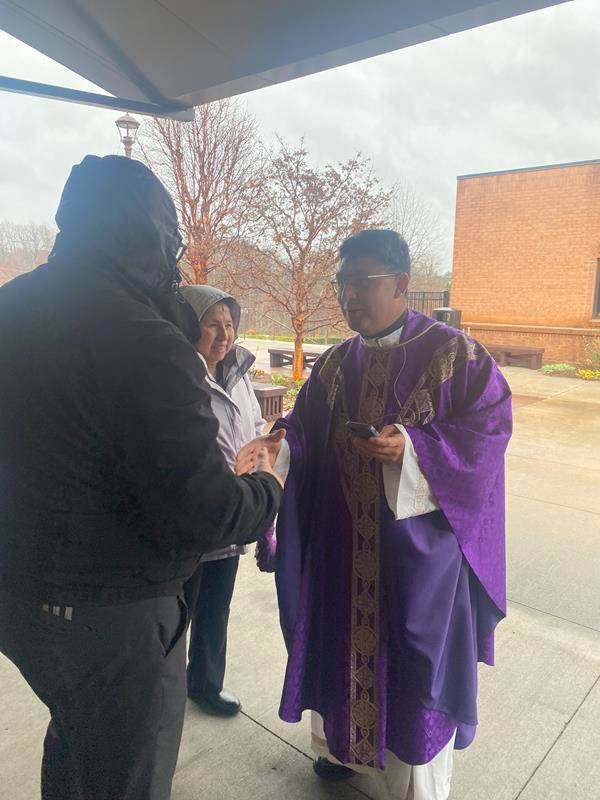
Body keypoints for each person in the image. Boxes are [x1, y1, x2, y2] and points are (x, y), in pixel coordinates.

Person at [0, 155, 282, 800]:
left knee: (74, 733)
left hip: (16, 592)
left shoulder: (10, 306)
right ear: (148, 235)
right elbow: (204, 511)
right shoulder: (144, 339)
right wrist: (265, 489)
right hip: (109, 610)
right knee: (126, 771)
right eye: (169, 239)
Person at [239, 228, 512, 800]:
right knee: (339, 650)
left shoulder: (454, 355)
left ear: (403, 284)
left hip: (417, 562)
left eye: (362, 282)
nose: (349, 296)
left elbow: (488, 430)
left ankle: (415, 786)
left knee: (411, 669)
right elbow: (305, 429)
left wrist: (412, 450)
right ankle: (343, 754)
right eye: (342, 284)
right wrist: (276, 446)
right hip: (344, 552)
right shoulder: (337, 362)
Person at [180, 284, 267, 716]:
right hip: (195, 514)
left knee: (217, 605)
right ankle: (165, 690)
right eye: (211, 324)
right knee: (180, 612)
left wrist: (266, 440)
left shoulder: (238, 371)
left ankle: (206, 684)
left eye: (229, 324)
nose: (224, 335)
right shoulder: (179, 373)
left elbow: (251, 421)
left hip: (235, 508)